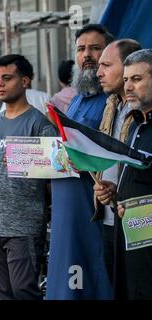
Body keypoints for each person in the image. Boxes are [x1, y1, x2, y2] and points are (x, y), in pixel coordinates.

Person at [46, 24, 115, 300]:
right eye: (81, 49)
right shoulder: (76, 99)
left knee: (91, 277)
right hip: (65, 205)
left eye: (95, 48)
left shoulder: (112, 102)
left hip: (90, 206)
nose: (87, 55)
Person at [0, 54, 56, 300]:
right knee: (4, 293)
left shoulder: (40, 124)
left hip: (24, 226)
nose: (0, 84)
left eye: (7, 78)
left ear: (25, 81)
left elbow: (53, 175)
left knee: (24, 291)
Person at [95, 49, 152, 299]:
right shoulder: (136, 125)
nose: (128, 86)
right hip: (130, 240)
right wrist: (116, 193)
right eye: (126, 79)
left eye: (137, 79)